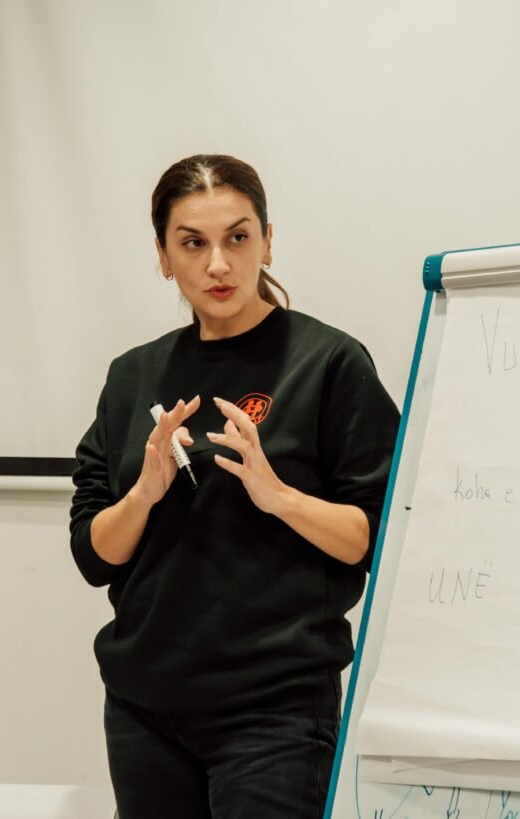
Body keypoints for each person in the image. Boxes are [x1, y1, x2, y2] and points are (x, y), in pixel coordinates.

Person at [69, 154, 400, 819]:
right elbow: (92, 553)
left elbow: (380, 537)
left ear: (268, 241)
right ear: (164, 255)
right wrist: (145, 493)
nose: (217, 263)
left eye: (238, 237)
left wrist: (278, 495)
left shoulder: (329, 363)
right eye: (193, 242)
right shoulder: (133, 376)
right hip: (144, 708)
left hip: (273, 713)